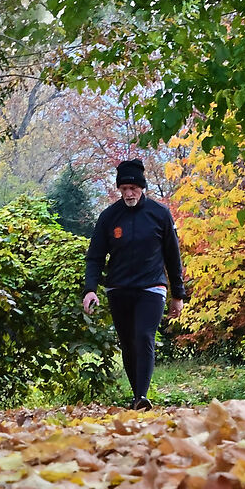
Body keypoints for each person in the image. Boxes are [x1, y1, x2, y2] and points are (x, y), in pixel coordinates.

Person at [81, 158, 187, 408]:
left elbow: (173, 256)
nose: (129, 194)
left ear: (142, 188)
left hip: (152, 287)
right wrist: (90, 290)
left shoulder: (159, 214)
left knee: (143, 336)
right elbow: (95, 256)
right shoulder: (109, 217)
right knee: (128, 342)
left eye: (133, 188)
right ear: (119, 189)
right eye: (124, 189)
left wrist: (178, 294)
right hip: (119, 288)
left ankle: (141, 396)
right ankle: (136, 396)